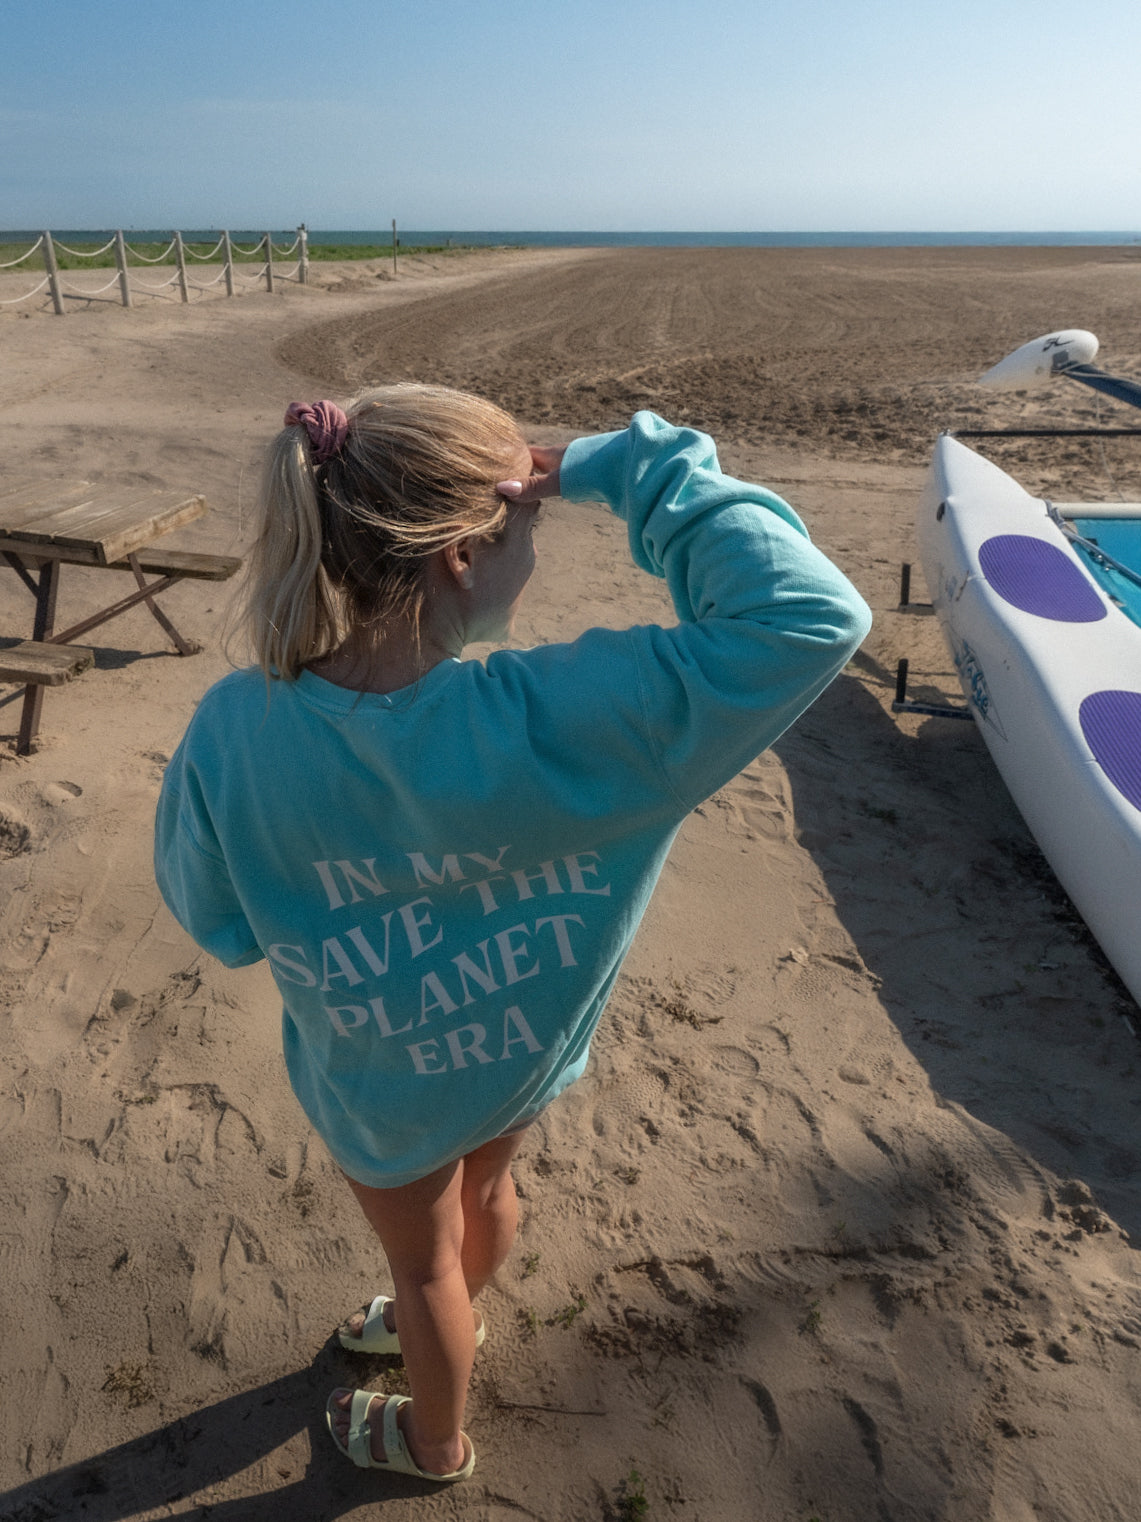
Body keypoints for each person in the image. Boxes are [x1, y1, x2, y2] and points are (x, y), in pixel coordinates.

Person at [154, 383, 871, 1484]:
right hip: (518, 1052)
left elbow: (217, 920)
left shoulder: (234, 730)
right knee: (486, 1197)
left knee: (423, 1268)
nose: (532, 552)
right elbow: (807, 616)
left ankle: (432, 1440)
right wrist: (627, 465)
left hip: (376, 1084)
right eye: (526, 527)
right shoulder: (571, 716)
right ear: (460, 557)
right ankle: (456, 1315)